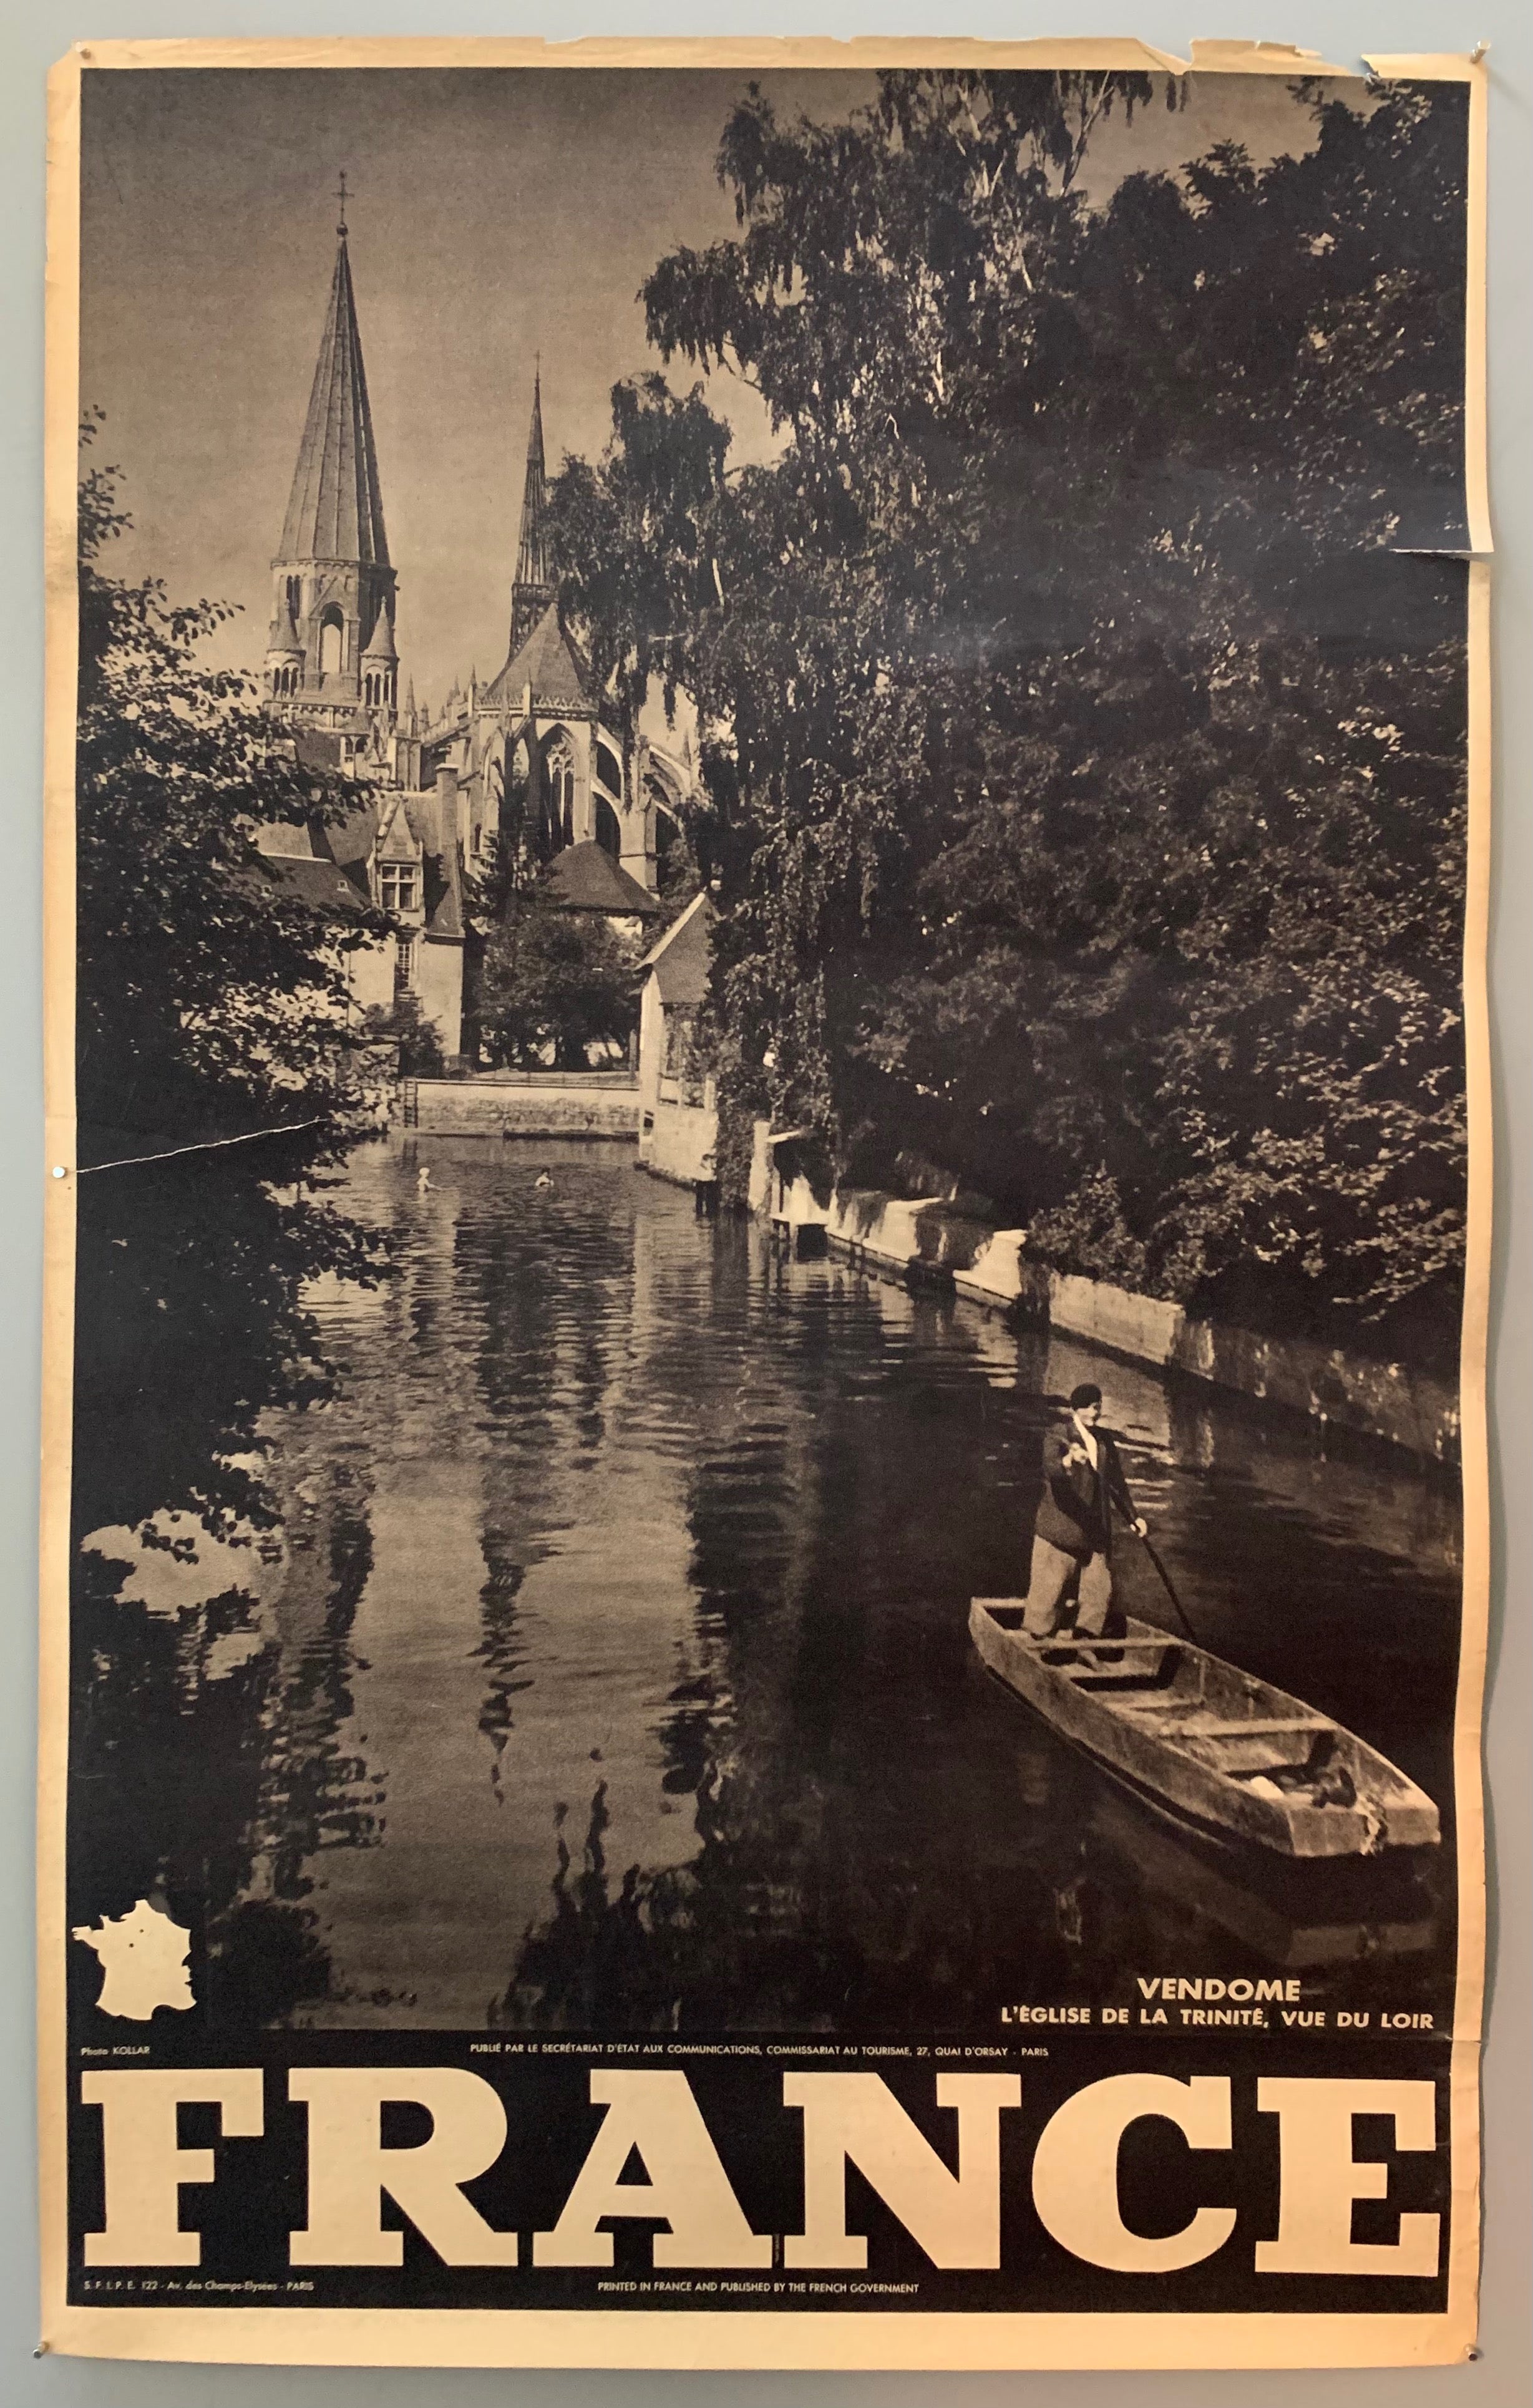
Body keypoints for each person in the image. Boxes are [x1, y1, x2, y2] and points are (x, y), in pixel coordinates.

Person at [1021, 1382, 1149, 1639]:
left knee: (1099, 1590)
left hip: (1095, 1529)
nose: (1095, 1413)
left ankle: (1086, 1641)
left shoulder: (1104, 1441)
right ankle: (1037, 1640)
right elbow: (1052, 1469)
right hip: (1061, 1528)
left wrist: (1133, 1517)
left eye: (1098, 1407)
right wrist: (1068, 1460)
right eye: (1089, 1408)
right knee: (1047, 1594)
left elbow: (1117, 1484)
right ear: (1075, 1409)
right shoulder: (1060, 1434)